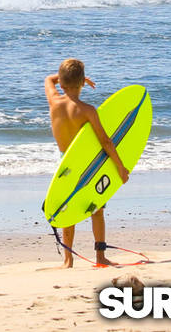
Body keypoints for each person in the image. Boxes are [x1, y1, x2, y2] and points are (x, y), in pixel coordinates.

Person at [44, 57, 129, 267]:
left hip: (66, 164)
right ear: (82, 83)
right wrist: (120, 166)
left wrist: (68, 78)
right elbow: (106, 141)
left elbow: (49, 79)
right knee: (97, 209)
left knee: (68, 209)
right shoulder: (88, 110)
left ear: (61, 83)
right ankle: (100, 257)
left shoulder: (54, 102)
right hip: (89, 164)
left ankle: (68, 259)